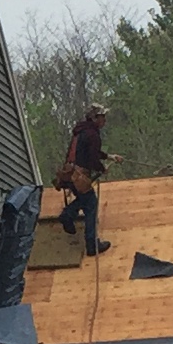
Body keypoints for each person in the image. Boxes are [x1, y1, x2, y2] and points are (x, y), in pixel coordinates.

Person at [56, 102, 110, 254]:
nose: (104, 120)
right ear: (95, 118)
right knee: (91, 204)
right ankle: (92, 246)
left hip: (69, 173)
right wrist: (102, 168)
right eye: (102, 117)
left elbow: (90, 152)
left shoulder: (80, 131)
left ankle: (67, 215)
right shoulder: (93, 135)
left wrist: (109, 157)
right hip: (79, 176)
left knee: (85, 201)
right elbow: (92, 158)